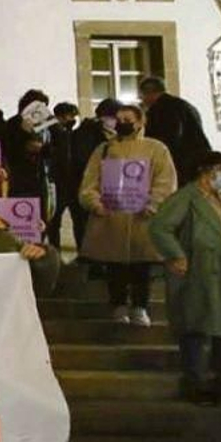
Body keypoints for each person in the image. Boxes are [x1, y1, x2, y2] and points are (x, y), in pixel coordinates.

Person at [147, 152, 221, 406]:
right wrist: (177, 255)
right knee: (196, 329)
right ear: (206, 171)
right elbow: (160, 226)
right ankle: (195, 383)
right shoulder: (187, 198)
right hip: (200, 273)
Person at [79, 103, 178, 325]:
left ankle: (140, 306)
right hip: (111, 217)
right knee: (114, 266)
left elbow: (165, 181)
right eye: (119, 119)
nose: (122, 124)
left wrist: (154, 204)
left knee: (142, 266)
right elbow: (90, 181)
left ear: (141, 122)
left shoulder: (156, 149)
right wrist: (94, 203)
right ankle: (118, 305)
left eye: (128, 119)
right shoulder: (103, 149)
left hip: (143, 218)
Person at [53, 99, 113, 253]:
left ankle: (83, 252)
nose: (70, 120)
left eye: (73, 116)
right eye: (66, 116)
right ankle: (55, 251)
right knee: (55, 221)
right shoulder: (54, 135)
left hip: (76, 182)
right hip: (59, 183)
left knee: (80, 221)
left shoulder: (80, 134)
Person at [139, 77, 212, 185]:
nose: (142, 100)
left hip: (181, 165)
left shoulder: (161, 109)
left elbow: (168, 139)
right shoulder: (184, 105)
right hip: (198, 162)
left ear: (148, 93)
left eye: (142, 95)